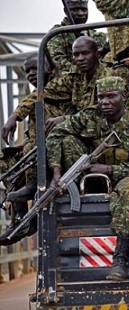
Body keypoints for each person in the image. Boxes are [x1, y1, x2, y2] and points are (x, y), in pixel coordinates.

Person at [46, 76, 129, 280]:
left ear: (124, 96)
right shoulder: (90, 116)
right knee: (68, 140)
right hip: (88, 175)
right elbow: (55, 135)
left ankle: (120, 258)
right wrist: (57, 172)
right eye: (101, 97)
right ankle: (73, 189)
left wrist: (110, 170)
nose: (104, 102)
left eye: (111, 96)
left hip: (123, 175)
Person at [0, 54, 73, 246]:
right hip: (41, 148)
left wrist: (14, 117)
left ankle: (31, 189)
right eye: (27, 71)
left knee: (32, 146)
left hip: (64, 147)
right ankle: (20, 216)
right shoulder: (39, 98)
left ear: (49, 69)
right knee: (4, 158)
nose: (31, 74)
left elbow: (37, 97)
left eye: (35, 69)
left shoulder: (61, 85)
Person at [48, 0, 107, 72]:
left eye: (84, 9)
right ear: (66, 11)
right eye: (75, 10)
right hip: (70, 77)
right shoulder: (58, 32)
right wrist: (80, 69)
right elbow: (57, 61)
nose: (81, 13)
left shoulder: (93, 33)